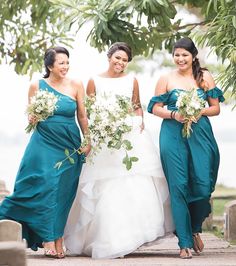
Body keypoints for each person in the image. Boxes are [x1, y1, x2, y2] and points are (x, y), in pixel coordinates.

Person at [64, 42, 174, 259]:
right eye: (118, 58)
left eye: (124, 60)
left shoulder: (131, 80)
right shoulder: (94, 81)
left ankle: (131, 237)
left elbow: (136, 104)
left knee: (134, 183)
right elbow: (90, 110)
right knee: (105, 186)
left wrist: (139, 120)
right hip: (105, 138)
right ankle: (106, 239)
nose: (120, 63)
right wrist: (101, 128)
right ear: (109, 57)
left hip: (130, 136)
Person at [0, 46, 90, 258]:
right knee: (47, 185)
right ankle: (48, 238)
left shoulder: (76, 84)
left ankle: (58, 239)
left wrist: (87, 140)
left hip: (69, 144)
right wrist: (32, 118)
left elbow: (82, 116)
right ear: (50, 65)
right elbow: (31, 117)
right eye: (61, 63)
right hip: (44, 144)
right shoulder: (36, 85)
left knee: (64, 192)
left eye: (67, 62)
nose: (65, 66)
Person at [147, 37, 225, 259]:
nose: (180, 59)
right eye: (177, 55)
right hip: (172, 135)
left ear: (193, 57)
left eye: (184, 55)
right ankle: (184, 243)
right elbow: (154, 108)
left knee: (202, 186)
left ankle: (194, 227)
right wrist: (175, 114)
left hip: (200, 134)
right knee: (178, 187)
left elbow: (216, 108)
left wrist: (197, 111)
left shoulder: (205, 76)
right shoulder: (165, 79)